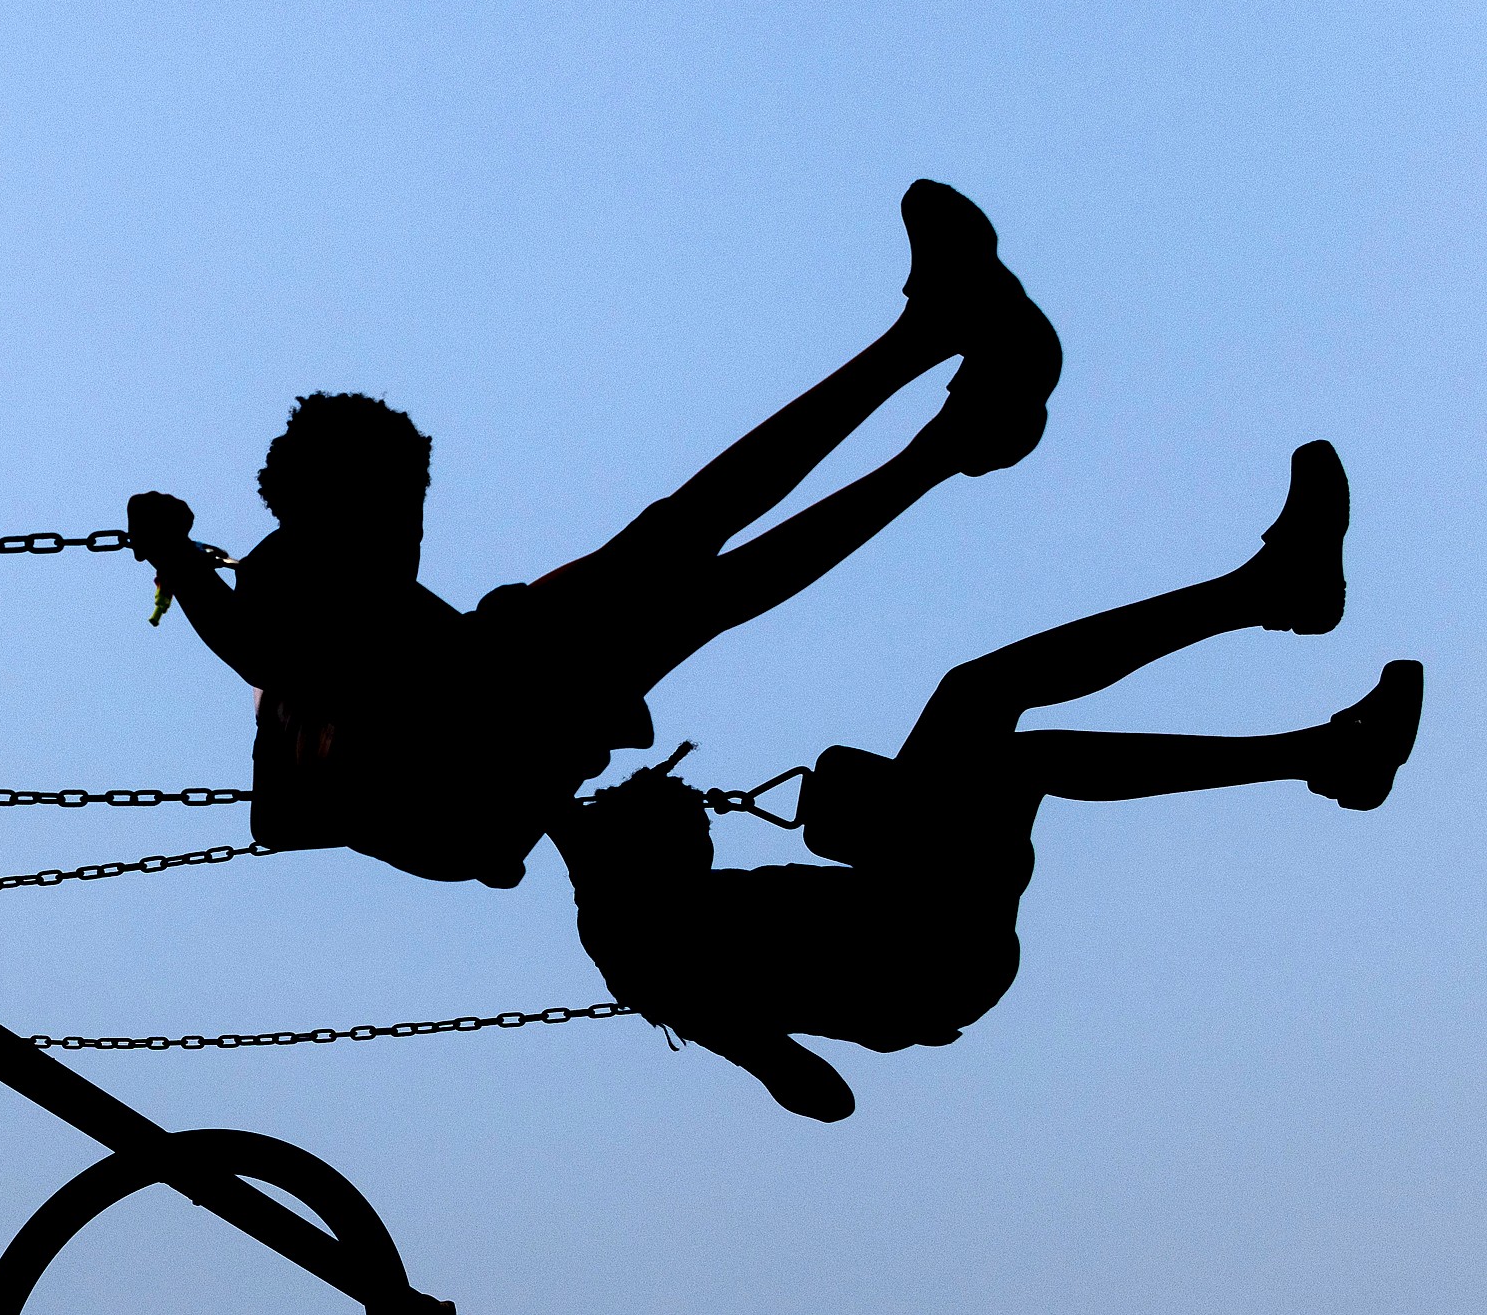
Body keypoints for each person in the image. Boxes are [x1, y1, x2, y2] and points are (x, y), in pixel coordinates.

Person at [127, 180, 1062, 890]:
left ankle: (947, 413)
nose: (409, 539)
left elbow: (291, 679)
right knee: (694, 545)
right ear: (328, 503)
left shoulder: (326, 589)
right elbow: (253, 648)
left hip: (502, 717)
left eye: (412, 514)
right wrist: (175, 556)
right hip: (500, 716)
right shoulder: (296, 580)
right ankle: (934, 361)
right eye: (395, 510)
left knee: (703, 564)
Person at [547, 440, 1424, 1120]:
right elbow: (819, 1091)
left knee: (981, 700)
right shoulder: (646, 950)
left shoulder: (661, 919)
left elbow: (566, 820)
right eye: (680, 819)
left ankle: (1287, 639)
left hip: (914, 906)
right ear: (631, 855)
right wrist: (741, 1031)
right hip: (928, 951)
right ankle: (1295, 667)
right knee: (1003, 740)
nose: (704, 818)